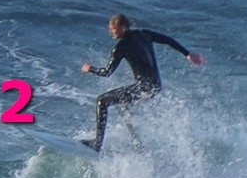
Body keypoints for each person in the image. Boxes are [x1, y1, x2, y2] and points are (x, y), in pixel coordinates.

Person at [80, 12, 203, 150]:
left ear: (123, 28)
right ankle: (137, 143)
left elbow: (107, 72)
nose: (111, 33)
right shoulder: (144, 34)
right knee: (123, 106)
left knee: (102, 101)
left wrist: (89, 68)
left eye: (113, 30)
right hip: (155, 86)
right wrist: (187, 54)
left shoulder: (120, 47)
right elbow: (168, 40)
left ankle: (97, 143)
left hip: (144, 87)